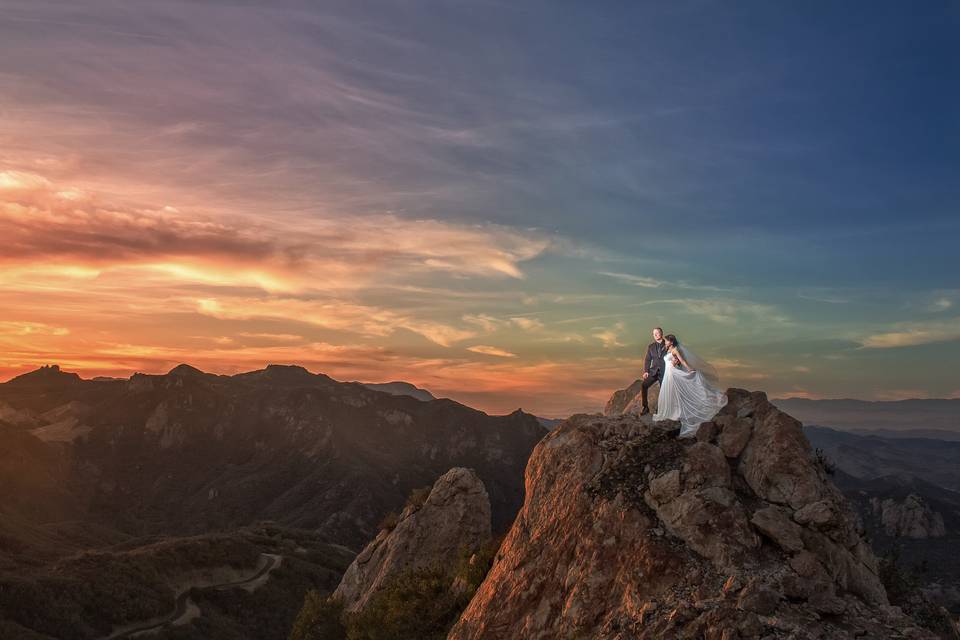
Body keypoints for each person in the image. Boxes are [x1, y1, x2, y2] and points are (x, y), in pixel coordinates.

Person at [653, 334, 728, 437]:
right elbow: (671, 361)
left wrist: (689, 369)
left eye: (666, 341)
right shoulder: (667, 350)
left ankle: (678, 413)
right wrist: (674, 363)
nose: (665, 342)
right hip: (668, 374)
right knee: (670, 392)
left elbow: (682, 361)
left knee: (676, 392)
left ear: (671, 342)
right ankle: (672, 412)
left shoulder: (675, 350)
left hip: (673, 373)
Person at [639, 327, 667, 415]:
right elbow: (647, 359)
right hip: (653, 371)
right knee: (644, 385)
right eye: (653, 334)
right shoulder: (651, 346)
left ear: (661, 333)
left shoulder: (667, 344)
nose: (655, 335)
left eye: (657, 333)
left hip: (665, 372)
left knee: (664, 391)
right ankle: (645, 407)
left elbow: (674, 354)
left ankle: (660, 410)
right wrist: (646, 371)